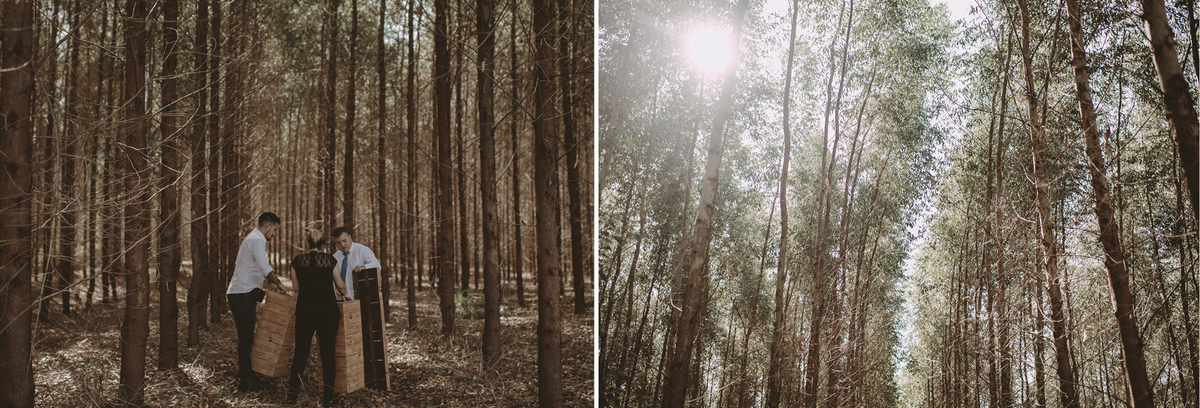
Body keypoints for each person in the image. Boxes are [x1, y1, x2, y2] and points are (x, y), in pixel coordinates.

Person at [285, 229, 349, 406]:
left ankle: (292, 396)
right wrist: (343, 293)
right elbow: (340, 285)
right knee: (328, 354)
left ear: (308, 244)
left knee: (301, 354)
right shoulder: (330, 260)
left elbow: (296, 288)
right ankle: (328, 398)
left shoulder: (297, 261)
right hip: (327, 312)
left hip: (305, 311)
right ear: (323, 245)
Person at [226, 212, 285, 392]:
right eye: (274, 230)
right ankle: (246, 380)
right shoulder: (256, 239)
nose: (273, 234)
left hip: (243, 294)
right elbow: (263, 264)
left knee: (247, 338)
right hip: (241, 294)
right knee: (246, 339)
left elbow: (258, 267)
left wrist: (270, 282)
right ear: (267, 226)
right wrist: (276, 281)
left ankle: (249, 375)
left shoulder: (253, 238)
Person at [330, 227, 380, 300]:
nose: (343, 245)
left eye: (344, 240)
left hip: (360, 297)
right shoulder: (334, 257)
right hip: (340, 299)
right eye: (339, 243)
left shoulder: (362, 250)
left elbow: (376, 264)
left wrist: (364, 267)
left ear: (350, 237)